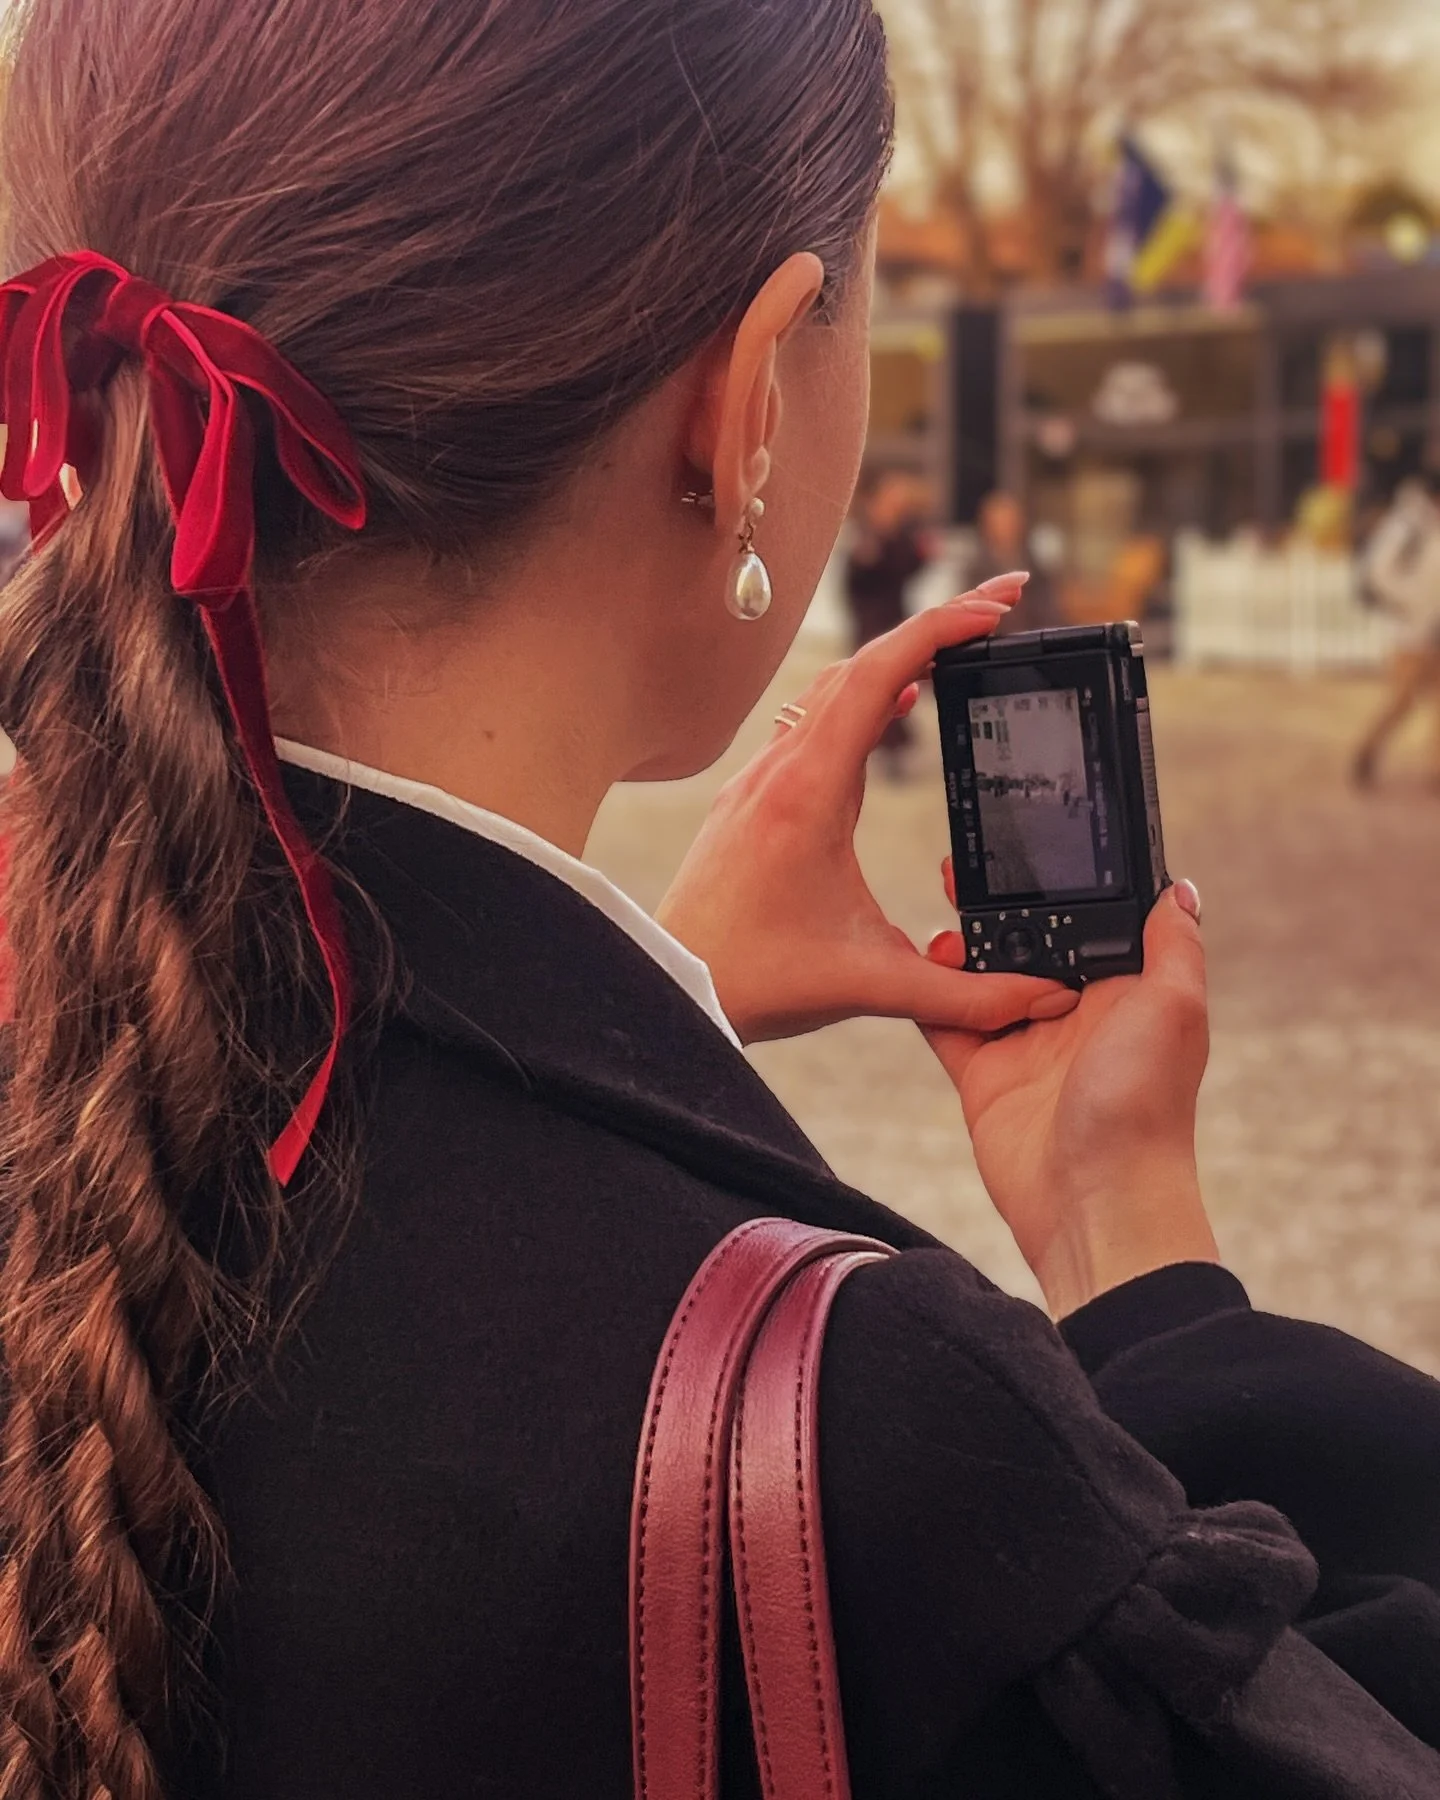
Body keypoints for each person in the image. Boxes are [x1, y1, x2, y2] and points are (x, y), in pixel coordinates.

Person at [0, 5, 1437, 1799]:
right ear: (750, 395)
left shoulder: (69, 1080)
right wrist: (1133, 1249)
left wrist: (637, 1007)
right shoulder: (864, 1437)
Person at [842, 467, 937, 776]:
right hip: (870, 620)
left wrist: (924, 553)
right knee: (878, 685)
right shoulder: (868, 532)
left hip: (895, 616)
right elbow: (856, 578)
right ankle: (880, 747)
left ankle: (893, 746)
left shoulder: (901, 533)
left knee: (896, 683)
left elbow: (910, 567)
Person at [1353, 475, 1440, 788]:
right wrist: (1412, 604)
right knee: (1402, 701)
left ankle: (1435, 770)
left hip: (1433, 629)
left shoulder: (1430, 527)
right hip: (1409, 632)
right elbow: (1377, 572)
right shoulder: (1407, 526)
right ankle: (1367, 748)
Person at [969, 488, 1062, 634]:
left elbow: (1051, 616)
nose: (1006, 527)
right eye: (1000, 521)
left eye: (1011, 520)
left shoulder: (1037, 572)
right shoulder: (975, 574)